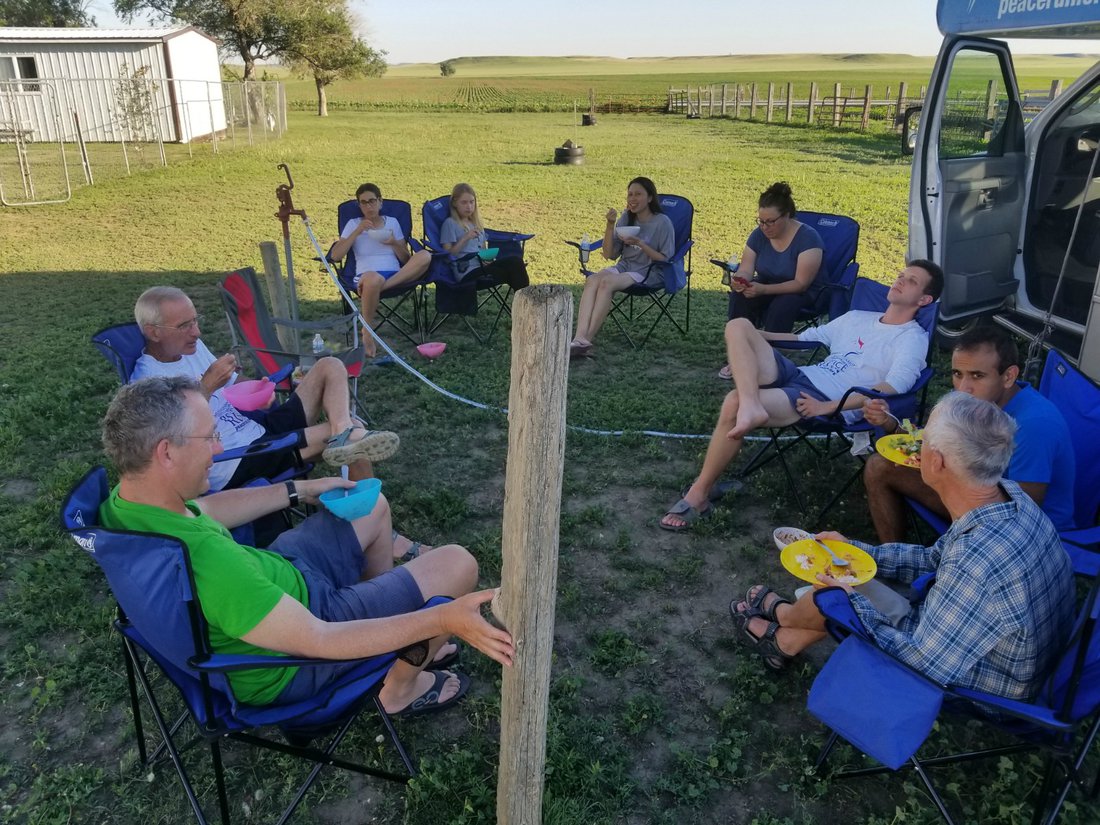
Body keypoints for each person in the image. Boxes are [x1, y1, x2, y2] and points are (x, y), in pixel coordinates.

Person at [98, 376, 514, 715]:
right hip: (304, 644)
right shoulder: (208, 563)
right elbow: (321, 639)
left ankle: (399, 642)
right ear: (166, 453)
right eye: (209, 438)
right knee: (457, 564)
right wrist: (440, 618)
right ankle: (398, 689)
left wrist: (300, 489)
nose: (219, 448)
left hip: (280, 578)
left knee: (371, 507)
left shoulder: (129, 502)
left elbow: (204, 509)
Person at [730, 392, 1075, 704]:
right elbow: (932, 559)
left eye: (922, 439)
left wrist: (848, 604)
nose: (915, 443)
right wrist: (855, 550)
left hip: (985, 685)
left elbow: (921, 665)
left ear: (936, 461)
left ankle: (784, 620)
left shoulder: (976, 562)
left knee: (836, 593)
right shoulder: (1010, 498)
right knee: (842, 574)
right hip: (1009, 652)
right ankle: (785, 638)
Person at [660, 260, 943, 531]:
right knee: (737, 325)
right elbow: (803, 339)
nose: (900, 281)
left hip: (820, 398)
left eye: (911, 281)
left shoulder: (911, 338)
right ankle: (751, 405)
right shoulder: (858, 317)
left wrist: (827, 407)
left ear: (924, 300)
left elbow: (894, 386)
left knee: (733, 402)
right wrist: (752, 336)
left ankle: (699, 494)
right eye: (901, 275)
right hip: (800, 375)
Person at [133, 287, 396, 494]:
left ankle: (343, 432)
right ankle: (370, 520)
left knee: (330, 365)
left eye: (195, 321)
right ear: (153, 332)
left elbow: (234, 382)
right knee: (355, 435)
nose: (197, 332)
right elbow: (176, 434)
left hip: (258, 428)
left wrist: (261, 388)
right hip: (237, 459)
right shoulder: (146, 380)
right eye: (184, 326)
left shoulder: (191, 347)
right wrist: (207, 385)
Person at [863, 326, 1076, 541]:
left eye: (977, 375)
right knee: (879, 465)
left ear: (1008, 376)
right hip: (979, 489)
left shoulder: (1034, 426)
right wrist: (891, 424)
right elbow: (933, 440)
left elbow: (1024, 511)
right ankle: (892, 554)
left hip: (1026, 528)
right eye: (957, 374)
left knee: (881, 468)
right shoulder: (981, 402)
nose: (963, 388)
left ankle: (895, 560)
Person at [720, 182, 824, 380]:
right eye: (760, 221)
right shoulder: (758, 234)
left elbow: (801, 283)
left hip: (803, 293)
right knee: (740, 296)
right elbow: (747, 267)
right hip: (767, 283)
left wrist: (763, 290)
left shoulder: (809, 239)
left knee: (783, 304)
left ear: (786, 216)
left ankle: (768, 361)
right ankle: (740, 354)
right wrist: (741, 280)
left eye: (770, 222)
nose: (764, 227)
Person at [569, 176, 675, 358]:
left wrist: (640, 243)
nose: (632, 199)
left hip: (649, 271)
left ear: (650, 198)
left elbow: (665, 259)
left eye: (638, 194)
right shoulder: (626, 218)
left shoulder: (662, 222)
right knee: (592, 280)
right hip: (625, 266)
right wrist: (610, 225)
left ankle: (586, 340)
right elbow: (609, 254)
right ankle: (579, 337)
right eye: (630, 194)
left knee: (606, 283)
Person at [328, 183, 433, 358]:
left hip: (396, 274)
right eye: (364, 202)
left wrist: (394, 243)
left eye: (372, 201)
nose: (369, 206)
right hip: (366, 275)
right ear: (359, 205)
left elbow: (406, 260)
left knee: (425, 256)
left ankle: (379, 288)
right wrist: (357, 231)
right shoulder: (353, 224)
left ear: (380, 202)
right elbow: (336, 255)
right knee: (373, 279)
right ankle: (367, 331)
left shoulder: (392, 222)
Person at [440, 182, 530, 291]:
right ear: (455, 203)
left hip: (482, 268)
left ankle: (525, 299)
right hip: (467, 273)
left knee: (516, 262)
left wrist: (487, 259)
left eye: (472, 202)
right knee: (512, 271)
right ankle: (526, 299)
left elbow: (483, 252)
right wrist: (465, 238)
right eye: (464, 202)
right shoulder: (450, 223)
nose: (469, 206)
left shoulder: (476, 224)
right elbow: (447, 256)